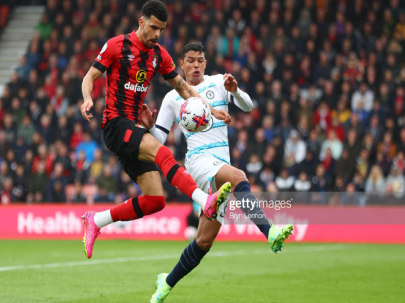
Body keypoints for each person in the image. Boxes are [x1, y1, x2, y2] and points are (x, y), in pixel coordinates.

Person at [141, 42, 294, 303]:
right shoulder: (172, 98)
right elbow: (158, 139)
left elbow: (248, 106)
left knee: (203, 242)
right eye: (190, 60)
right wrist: (147, 128)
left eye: (200, 60)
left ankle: (165, 283)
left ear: (205, 62)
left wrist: (236, 90)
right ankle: (269, 233)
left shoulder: (219, 82)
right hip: (198, 161)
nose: (196, 65)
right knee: (239, 178)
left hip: (221, 160)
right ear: (182, 64)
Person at [80, 0, 232, 259]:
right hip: (116, 125)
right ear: (141, 22)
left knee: (155, 201)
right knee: (163, 153)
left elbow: (184, 88)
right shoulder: (117, 45)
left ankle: (96, 221)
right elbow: (89, 77)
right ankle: (203, 200)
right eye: (153, 27)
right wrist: (87, 97)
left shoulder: (159, 54)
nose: (157, 34)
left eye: (161, 29)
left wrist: (209, 109)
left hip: (135, 127)